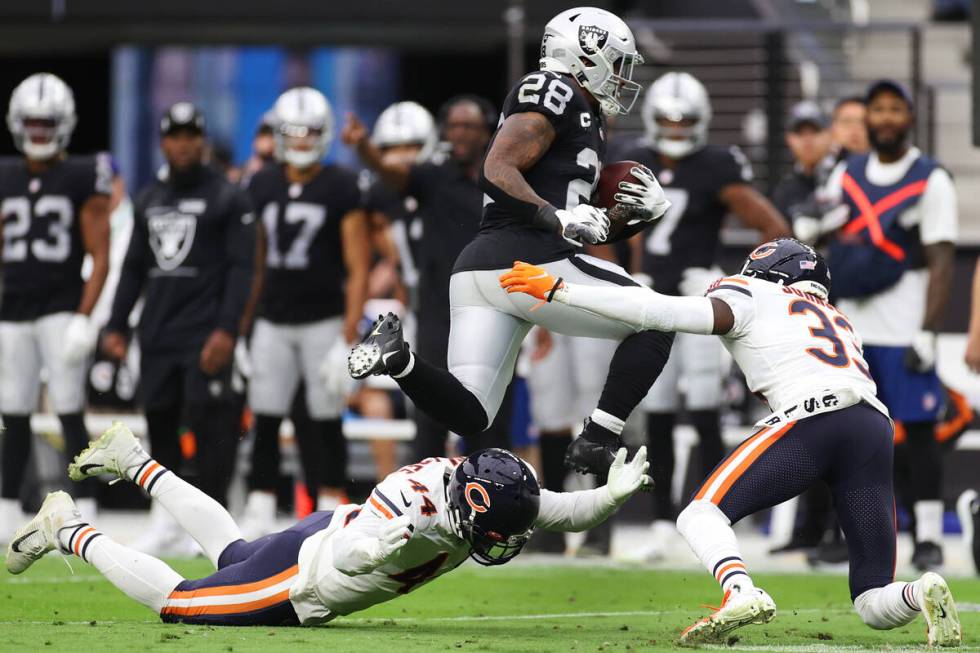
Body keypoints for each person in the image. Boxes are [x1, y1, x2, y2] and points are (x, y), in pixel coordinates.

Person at [500, 238, 961, 647]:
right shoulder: (836, 317)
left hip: (813, 417)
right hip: (871, 425)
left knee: (700, 513)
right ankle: (919, 592)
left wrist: (562, 290)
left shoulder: (751, 292)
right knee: (871, 599)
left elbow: (658, 311)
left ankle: (740, 592)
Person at [348, 7, 672, 477]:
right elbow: (496, 168)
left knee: (472, 413)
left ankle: (399, 360)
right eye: (617, 63)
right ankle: (599, 437)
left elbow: (590, 227)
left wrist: (638, 216)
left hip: (485, 269)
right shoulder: (555, 89)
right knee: (659, 321)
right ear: (584, 54)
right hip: (533, 261)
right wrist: (554, 216)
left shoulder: (587, 116)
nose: (621, 78)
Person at [6, 420, 651, 625]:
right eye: (497, 534)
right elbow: (350, 555)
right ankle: (67, 529)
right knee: (182, 605)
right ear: (467, 508)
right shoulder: (417, 501)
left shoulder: (486, 495)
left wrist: (612, 496)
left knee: (233, 553)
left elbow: (560, 512)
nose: (505, 543)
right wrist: (373, 551)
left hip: (321, 534)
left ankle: (137, 463)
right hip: (307, 574)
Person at [622, 72, 789, 555]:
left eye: (685, 121)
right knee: (655, 408)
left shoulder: (716, 165)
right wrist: (625, 276)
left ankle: (712, 514)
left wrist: (743, 282)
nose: (675, 130)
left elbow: (771, 227)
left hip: (699, 298)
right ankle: (658, 523)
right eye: (668, 121)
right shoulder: (634, 161)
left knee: (702, 405)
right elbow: (608, 226)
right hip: (650, 295)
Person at [800, 79, 958, 571]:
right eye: (878, 110)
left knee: (919, 434)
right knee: (846, 434)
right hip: (852, 329)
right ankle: (844, 532)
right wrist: (815, 225)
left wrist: (929, 331)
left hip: (905, 325)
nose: (886, 118)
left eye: (896, 110)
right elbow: (813, 231)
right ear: (866, 118)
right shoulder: (845, 174)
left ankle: (927, 538)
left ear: (909, 117)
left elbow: (942, 259)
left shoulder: (931, 178)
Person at [102, 102, 255, 537]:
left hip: (206, 331)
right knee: (160, 419)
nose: (183, 144)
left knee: (212, 422)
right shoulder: (150, 197)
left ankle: (213, 519)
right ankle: (168, 519)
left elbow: (242, 269)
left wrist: (228, 330)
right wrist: (115, 324)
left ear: (202, 142)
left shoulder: (228, 196)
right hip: (158, 330)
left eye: (191, 136)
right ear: (164, 142)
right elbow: (133, 267)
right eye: (175, 136)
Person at [342, 95, 518, 457]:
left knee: (493, 414)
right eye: (453, 126)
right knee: (430, 412)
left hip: (496, 309)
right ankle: (424, 499)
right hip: (440, 311)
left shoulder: (504, 179)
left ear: (488, 132)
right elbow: (394, 175)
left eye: (468, 126)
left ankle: (496, 498)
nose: (460, 134)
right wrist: (366, 150)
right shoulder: (434, 177)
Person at [237, 87, 370, 537]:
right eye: (291, 132)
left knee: (326, 417)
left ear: (324, 134)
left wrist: (348, 335)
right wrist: (241, 327)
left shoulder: (341, 185)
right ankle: (260, 503)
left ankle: (332, 503)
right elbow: (252, 263)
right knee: (266, 414)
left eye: (308, 132)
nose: (299, 141)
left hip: (323, 319)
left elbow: (357, 266)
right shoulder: (262, 183)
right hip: (272, 318)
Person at [0, 73, 112, 541]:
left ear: (63, 124)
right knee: (13, 411)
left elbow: (101, 254)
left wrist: (86, 317)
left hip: (62, 307)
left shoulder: (82, 173)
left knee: (69, 408)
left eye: (47, 123)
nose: (40, 132)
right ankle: (7, 509)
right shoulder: (6, 173)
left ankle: (85, 505)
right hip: (14, 309)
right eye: (33, 123)